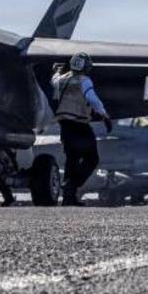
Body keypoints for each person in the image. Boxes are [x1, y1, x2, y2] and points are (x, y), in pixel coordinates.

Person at [52, 52, 112, 206]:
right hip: (80, 124)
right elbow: (92, 98)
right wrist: (104, 115)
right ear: (85, 66)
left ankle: (68, 198)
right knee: (92, 158)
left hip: (65, 125)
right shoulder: (84, 80)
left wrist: (57, 71)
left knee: (71, 160)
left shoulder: (61, 79)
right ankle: (72, 185)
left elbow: (53, 80)